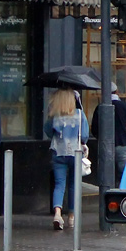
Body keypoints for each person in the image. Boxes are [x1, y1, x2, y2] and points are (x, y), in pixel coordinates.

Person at [46, 88, 89, 231]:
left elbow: (47, 132)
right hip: (75, 153)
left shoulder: (54, 115)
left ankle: (58, 214)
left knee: (59, 184)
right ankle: (71, 216)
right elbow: (84, 136)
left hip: (59, 152)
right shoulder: (80, 114)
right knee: (73, 185)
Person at [92, 84, 126, 185]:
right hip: (122, 144)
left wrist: (100, 139)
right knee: (124, 175)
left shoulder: (100, 107)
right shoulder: (124, 106)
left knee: (106, 176)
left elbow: (94, 128)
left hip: (105, 146)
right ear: (117, 91)